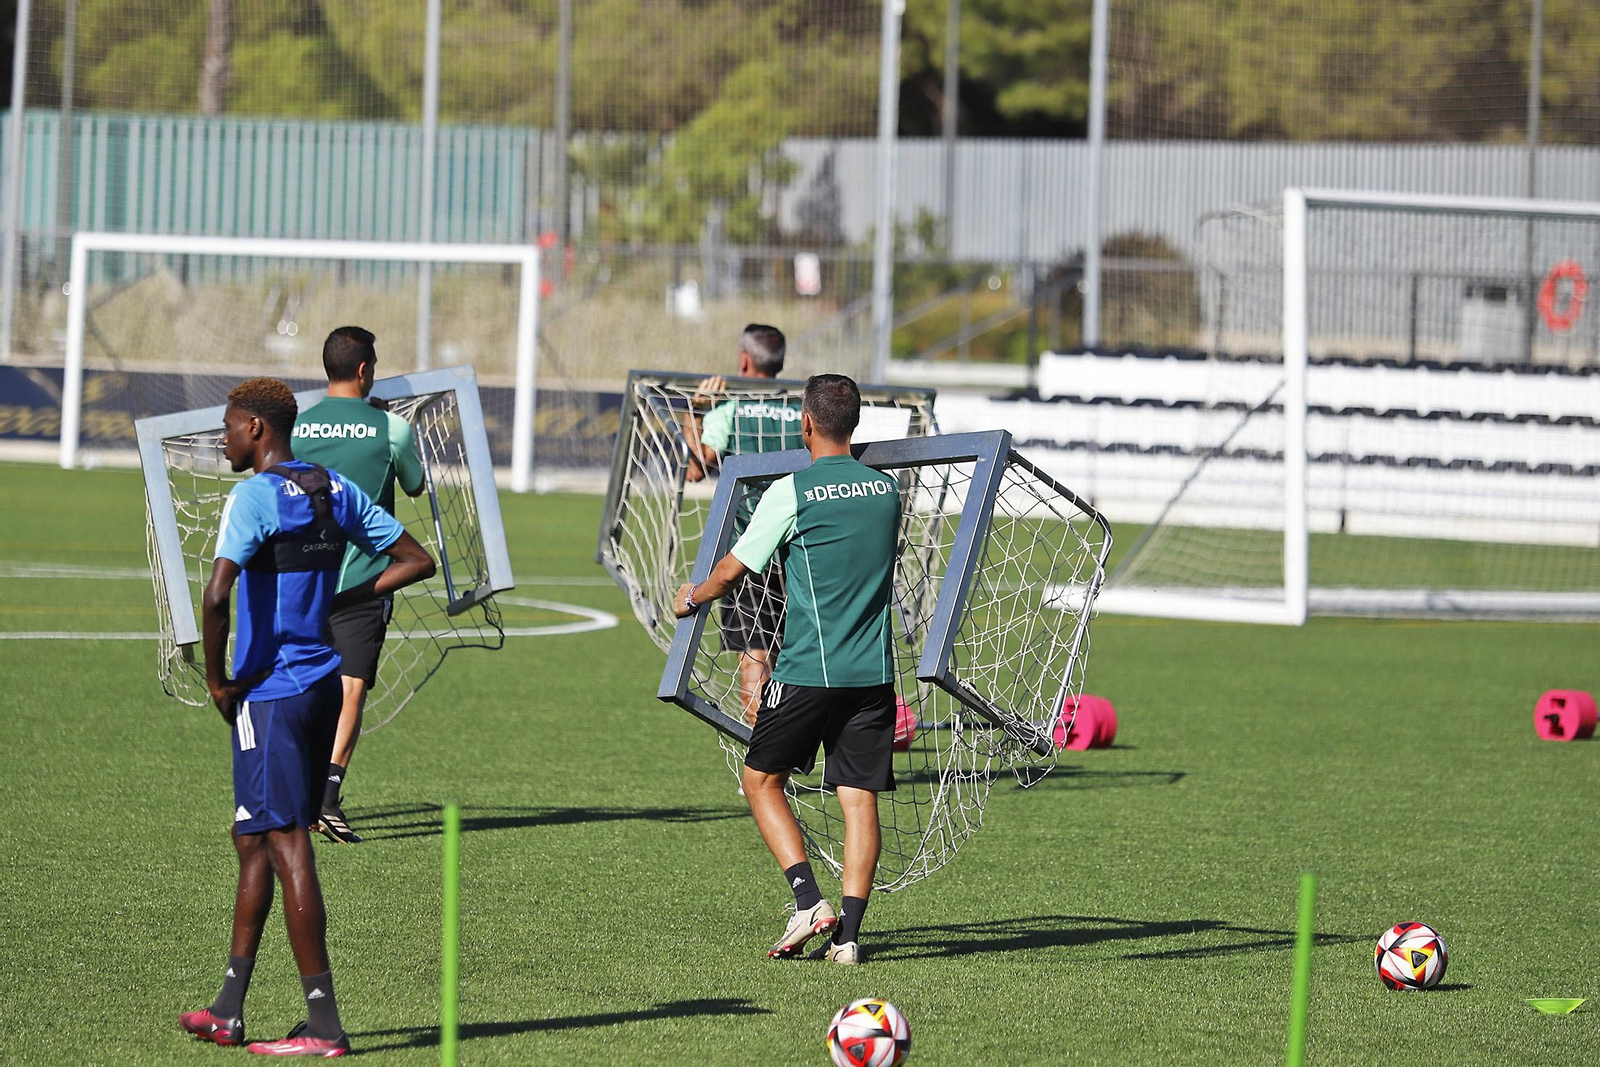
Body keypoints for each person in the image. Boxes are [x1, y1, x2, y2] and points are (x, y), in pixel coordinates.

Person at [181, 377, 435, 1056]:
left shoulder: (255, 495)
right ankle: (228, 1007)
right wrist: (340, 596)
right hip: (322, 685)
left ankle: (323, 1025)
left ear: (258, 429)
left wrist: (215, 681)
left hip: (270, 692)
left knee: (287, 840)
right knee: (254, 837)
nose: (224, 438)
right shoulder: (332, 490)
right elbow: (417, 559)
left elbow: (214, 596)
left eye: (231, 426)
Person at [674, 373, 900, 966]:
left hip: (806, 670)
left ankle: (807, 902)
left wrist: (692, 597)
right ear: (855, 425)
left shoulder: (791, 491)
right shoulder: (886, 490)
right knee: (858, 800)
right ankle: (848, 939)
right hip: (874, 676)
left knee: (760, 781)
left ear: (805, 424)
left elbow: (732, 569)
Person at [291, 326, 426, 844]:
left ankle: (293, 795)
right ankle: (326, 799)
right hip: (364, 582)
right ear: (366, 371)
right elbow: (413, 485)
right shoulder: (389, 428)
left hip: (302, 579)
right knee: (350, 690)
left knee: (300, 686)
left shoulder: (298, 428)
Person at [681, 324, 798, 727]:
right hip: (798, 552)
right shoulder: (802, 410)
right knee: (793, 663)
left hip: (748, 552)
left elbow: (696, 469)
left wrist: (696, 410)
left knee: (754, 661)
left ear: (743, 360)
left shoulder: (730, 409)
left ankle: (762, 760)